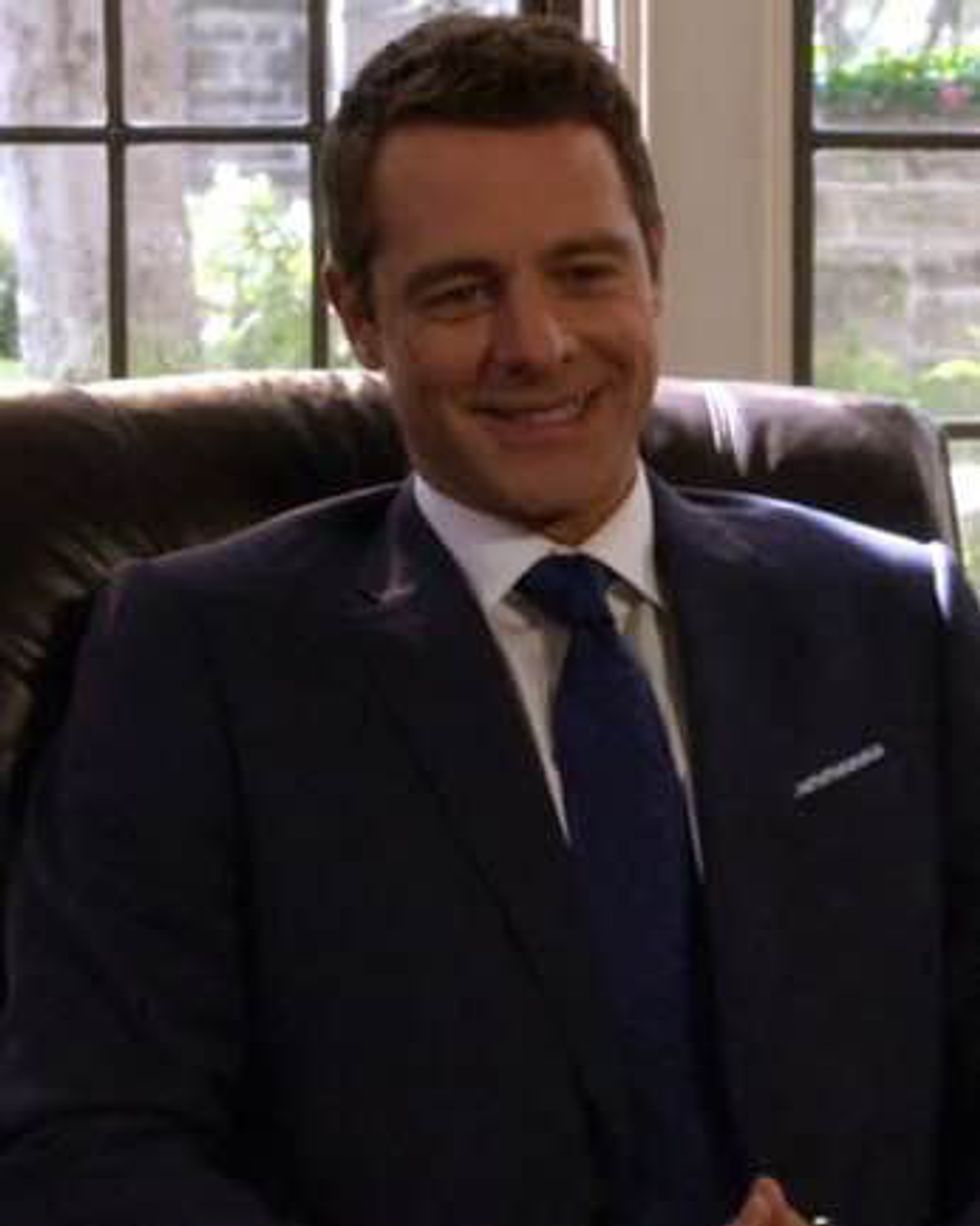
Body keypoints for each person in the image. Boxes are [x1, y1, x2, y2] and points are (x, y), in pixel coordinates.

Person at [0, 13, 978, 1226]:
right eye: (462, 292)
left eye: (584, 272)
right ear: (358, 313)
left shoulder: (893, 614)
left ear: (653, 264)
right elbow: (84, 1145)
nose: (536, 345)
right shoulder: (189, 660)